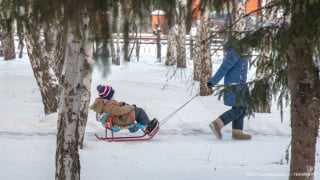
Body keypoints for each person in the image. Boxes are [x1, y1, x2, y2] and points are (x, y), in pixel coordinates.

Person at [207, 37, 252, 140]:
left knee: (242, 107)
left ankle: (237, 132)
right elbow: (223, 69)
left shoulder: (241, 54)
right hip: (234, 86)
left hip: (240, 86)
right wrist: (212, 82)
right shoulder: (233, 54)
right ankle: (217, 123)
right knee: (239, 108)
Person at [90, 84, 159, 134]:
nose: (113, 96)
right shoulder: (108, 105)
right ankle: (148, 128)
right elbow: (119, 111)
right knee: (139, 111)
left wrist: (121, 104)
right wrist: (130, 107)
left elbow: (115, 106)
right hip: (120, 119)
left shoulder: (105, 103)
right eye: (112, 94)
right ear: (108, 96)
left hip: (118, 118)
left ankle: (139, 127)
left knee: (135, 111)